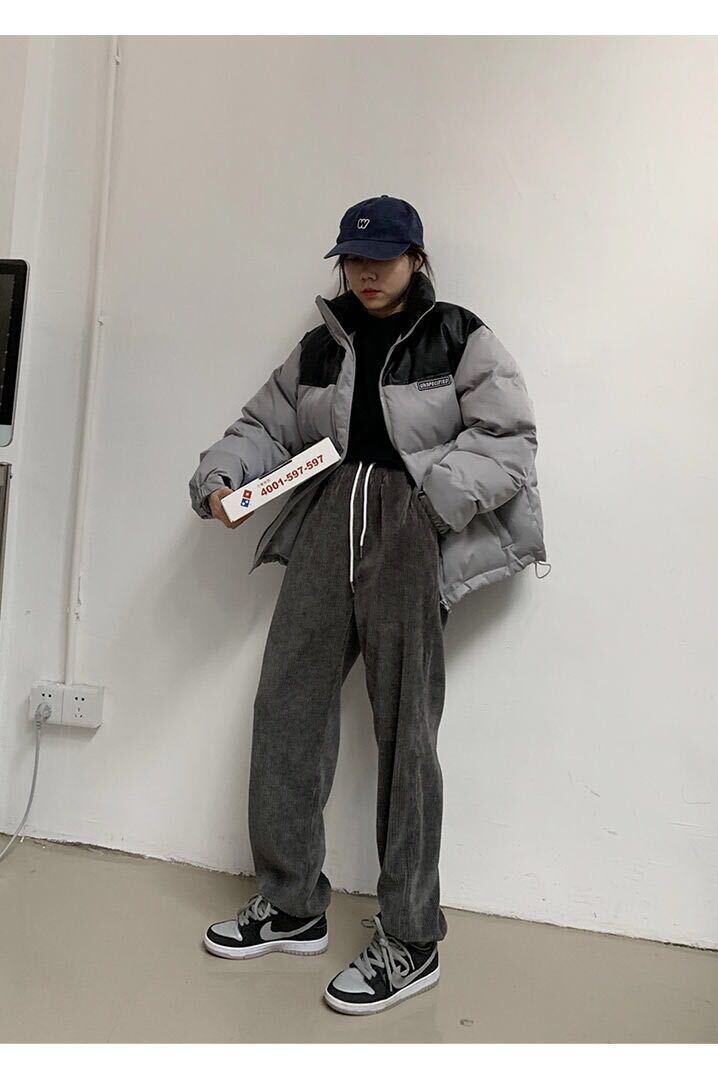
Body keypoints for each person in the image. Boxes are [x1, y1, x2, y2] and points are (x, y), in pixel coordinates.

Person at [188, 194, 549, 1016]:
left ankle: (411, 936)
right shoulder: (323, 344)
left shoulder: (457, 334)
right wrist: (220, 478)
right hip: (327, 516)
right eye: (354, 258)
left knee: (406, 730)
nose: (367, 271)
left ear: (416, 258)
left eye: (383, 257)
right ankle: (291, 901)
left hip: (409, 528)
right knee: (287, 704)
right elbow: (265, 424)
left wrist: (430, 506)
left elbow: (510, 438)